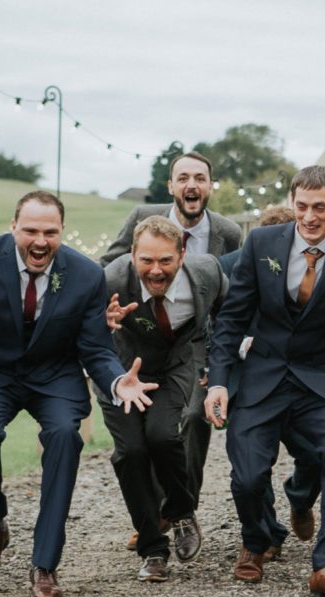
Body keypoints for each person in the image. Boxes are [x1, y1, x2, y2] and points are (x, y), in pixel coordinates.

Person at [0, 191, 156, 597]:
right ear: (13, 226)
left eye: (50, 232)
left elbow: (95, 348)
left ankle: (45, 564)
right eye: (31, 230)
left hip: (54, 374)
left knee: (64, 437)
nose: (40, 241)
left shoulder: (87, 274)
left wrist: (115, 380)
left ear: (62, 232)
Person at [205, 165, 325, 597]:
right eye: (302, 206)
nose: (310, 217)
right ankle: (258, 539)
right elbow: (231, 320)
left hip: (321, 379)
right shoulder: (260, 243)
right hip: (262, 376)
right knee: (249, 477)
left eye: (319, 207)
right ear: (293, 204)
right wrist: (218, 381)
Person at [101, 152, 241, 514]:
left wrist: (224, 354)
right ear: (171, 186)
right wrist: (111, 308)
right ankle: (154, 505)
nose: (191, 185)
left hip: (196, 339)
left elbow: (233, 292)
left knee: (195, 416)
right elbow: (110, 265)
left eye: (199, 178)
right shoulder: (141, 219)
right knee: (146, 435)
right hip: (142, 331)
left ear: (210, 185)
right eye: (183, 178)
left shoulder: (228, 232)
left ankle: (182, 508)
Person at [100, 216, 227, 582]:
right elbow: (83, 332)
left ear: (182, 255)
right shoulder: (110, 280)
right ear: (132, 255)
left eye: (165, 261)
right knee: (131, 452)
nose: (155, 271)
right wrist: (102, 321)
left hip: (175, 364)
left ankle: (182, 511)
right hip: (121, 371)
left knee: (164, 435)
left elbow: (231, 312)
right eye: (146, 261)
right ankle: (153, 549)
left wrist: (218, 361)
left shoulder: (207, 274)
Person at [220, 205, 321, 561]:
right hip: (248, 378)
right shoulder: (229, 266)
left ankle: (300, 497)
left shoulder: (316, 261)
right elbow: (220, 320)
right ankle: (265, 534)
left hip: (299, 377)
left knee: (315, 453)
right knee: (251, 467)